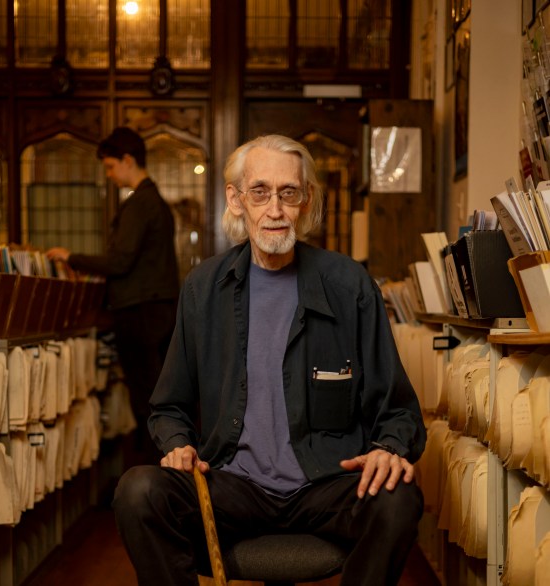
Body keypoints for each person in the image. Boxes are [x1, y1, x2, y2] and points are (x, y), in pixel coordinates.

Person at [112, 134, 426, 585]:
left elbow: (398, 410)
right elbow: (167, 406)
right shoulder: (203, 288)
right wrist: (178, 443)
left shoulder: (350, 286)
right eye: (259, 191)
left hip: (327, 484)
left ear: (307, 199)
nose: (275, 209)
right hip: (232, 488)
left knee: (400, 497)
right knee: (138, 491)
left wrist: (389, 450)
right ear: (236, 199)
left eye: (288, 193)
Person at [47, 127, 179, 463]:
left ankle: (155, 476)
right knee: (159, 397)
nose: (109, 175)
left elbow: (120, 261)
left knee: (146, 399)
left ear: (128, 160)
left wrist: (71, 257)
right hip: (159, 311)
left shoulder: (139, 203)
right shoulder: (157, 202)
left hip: (140, 313)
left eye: (109, 167)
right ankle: (162, 472)